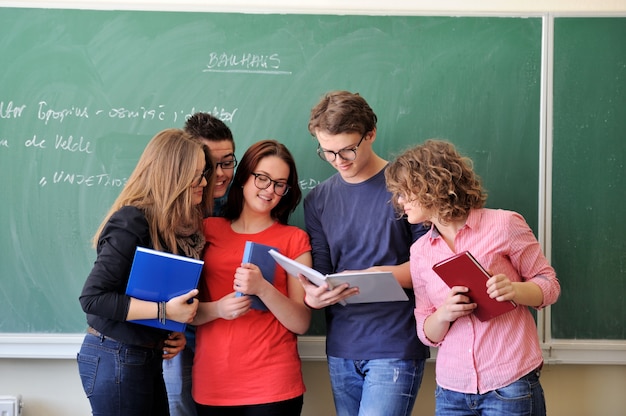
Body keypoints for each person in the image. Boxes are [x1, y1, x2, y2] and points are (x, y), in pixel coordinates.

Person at [384, 139, 561, 416]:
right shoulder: (420, 252)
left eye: (405, 192)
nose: (400, 201)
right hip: (451, 391)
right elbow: (425, 330)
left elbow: (549, 285)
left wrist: (513, 290)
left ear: (432, 184)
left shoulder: (504, 224)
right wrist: (444, 314)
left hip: (510, 384)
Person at [301, 90, 430, 416]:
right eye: (327, 153)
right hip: (343, 346)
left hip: (395, 344)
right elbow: (323, 270)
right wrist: (313, 296)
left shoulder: (407, 187)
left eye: (347, 150)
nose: (338, 161)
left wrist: (378, 275)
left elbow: (431, 266)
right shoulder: (318, 200)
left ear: (370, 134)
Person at [77, 128, 214, 416]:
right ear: (172, 175)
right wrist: (165, 312)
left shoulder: (166, 226)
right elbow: (93, 298)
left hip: (141, 356)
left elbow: (145, 293)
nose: (204, 182)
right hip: (116, 356)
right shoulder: (132, 221)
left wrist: (167, 332)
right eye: (197, 175)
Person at [192, 139, 312, 415]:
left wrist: (263, 289)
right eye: (262, 179)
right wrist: (219, 308)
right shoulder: (207, 229)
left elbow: (302, 322)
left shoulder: (294, 239)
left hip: (273, 385)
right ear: (244, 177)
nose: (270, 190)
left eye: (279, 184)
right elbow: (185, 309)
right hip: (213, 384)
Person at [162, 112, 237, 416]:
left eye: (228, 162)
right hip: (178, 335)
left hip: (228, 335)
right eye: (209, 165)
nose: (220, 174)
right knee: (178, 401)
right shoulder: (169, 212)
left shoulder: (243, 203)